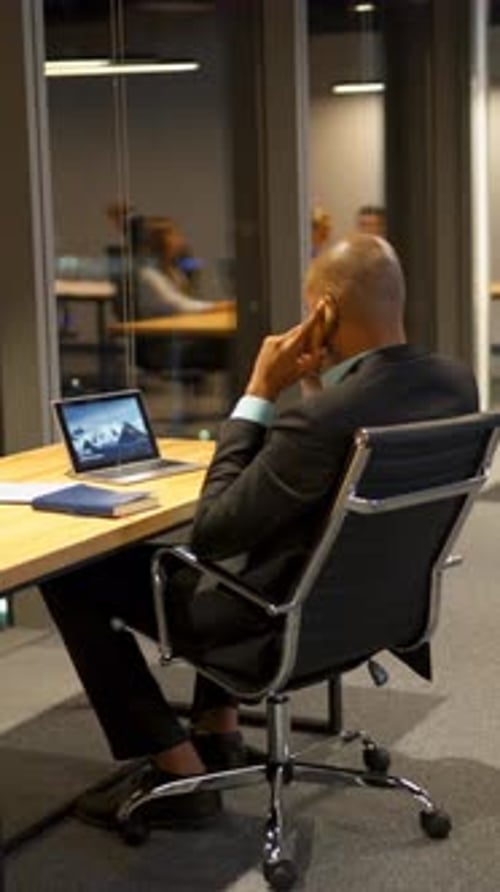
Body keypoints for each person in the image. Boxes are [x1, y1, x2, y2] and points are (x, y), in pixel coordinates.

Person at [40, 233, 478, 832]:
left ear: (323, 310)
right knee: (212, 555)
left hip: (277, 621)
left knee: (76, 575)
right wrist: (316, 389)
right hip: (373, 613)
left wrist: (258, 393)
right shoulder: (454, 382)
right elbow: (329, 457)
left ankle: (175, 771)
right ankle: (216, 733)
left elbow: (217, 530)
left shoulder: (319, 424)